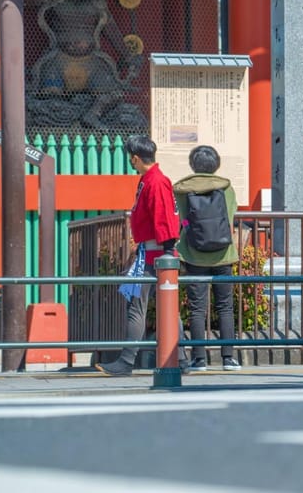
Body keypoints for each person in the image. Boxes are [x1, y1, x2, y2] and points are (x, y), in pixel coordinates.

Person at [96, 135, 188, 376]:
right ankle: (183, 359)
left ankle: (127, 361)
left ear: (136, 158)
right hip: (154, 251)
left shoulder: (154, 182)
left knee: (137, 307)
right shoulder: (152, 180)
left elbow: (163, 220)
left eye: (131, 158)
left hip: (156, 254)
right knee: (167, 308)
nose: (131, 162)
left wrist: (166, 252)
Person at [173, 145, 242, 372]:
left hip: (194, 254)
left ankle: (199, 360)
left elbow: (183, 219)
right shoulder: (226, 187)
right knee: (225, 307)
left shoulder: (183, 189)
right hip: (223, 254)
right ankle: (229, 358)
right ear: (216, 164)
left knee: (197, 309)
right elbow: (230, 215)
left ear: (193, 164)